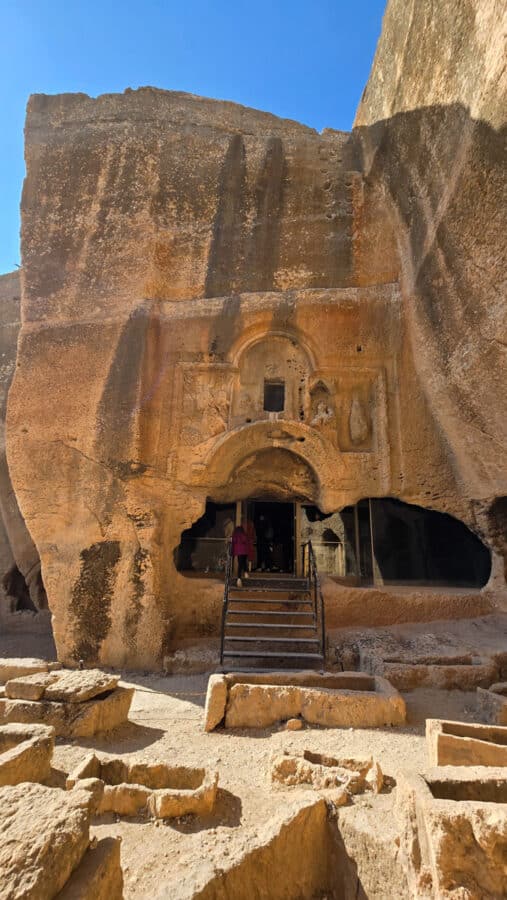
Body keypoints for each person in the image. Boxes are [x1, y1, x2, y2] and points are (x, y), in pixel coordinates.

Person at [231, 520, 253, 587]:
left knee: (240, 564)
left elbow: (233, 542)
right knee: (243, 562)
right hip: (244, 552)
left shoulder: (235, 535)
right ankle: (246, 573)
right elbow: (245, 541)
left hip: (238, 553)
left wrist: (232, 552)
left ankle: (239, 578)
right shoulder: (244, 534)